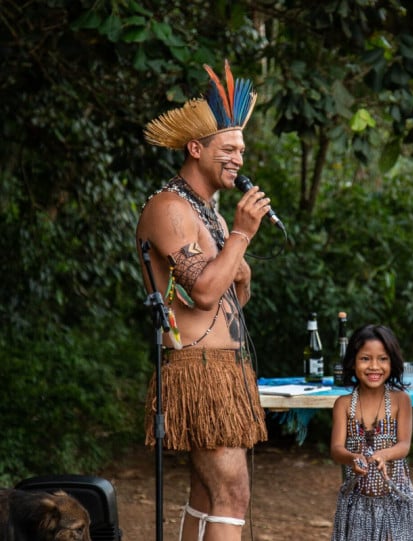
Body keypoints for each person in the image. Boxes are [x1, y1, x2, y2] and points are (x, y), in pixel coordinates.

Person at [136, 60, 269, 541]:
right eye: (228, 149)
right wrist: (241, 234)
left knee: (207, 494)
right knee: (231, 494)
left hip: (224, 369)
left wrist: (235, 256)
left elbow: (233, 295)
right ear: (197, 147)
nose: (239, 158)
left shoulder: (204, 212)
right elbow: (206, 293)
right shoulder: (169, 209)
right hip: (198, 370)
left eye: (242, 149)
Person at [330, 324, 413, 541]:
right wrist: (352, 457)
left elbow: (404, 445)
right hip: (356, 502)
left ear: (393, 362)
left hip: (396, 500)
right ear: (352, 362)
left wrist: (383, 455)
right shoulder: (343, 404)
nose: (374, 366)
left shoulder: (401, 400)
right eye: (365, 359)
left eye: (382, 359)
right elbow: (336, 449)